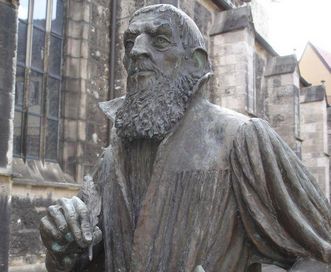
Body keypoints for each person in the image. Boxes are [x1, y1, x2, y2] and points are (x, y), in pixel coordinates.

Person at [40, 4, 331, 272]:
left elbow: (319, 254)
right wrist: (62, 248)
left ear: (196, 63)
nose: (136, 51)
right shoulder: (109, 160)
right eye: (130, 42)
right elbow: (87, 260)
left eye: (160, 41)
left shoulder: (242, 139)